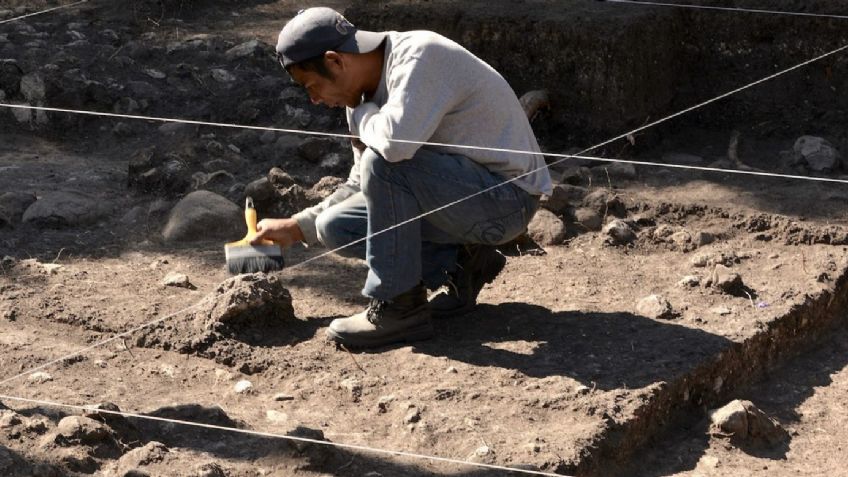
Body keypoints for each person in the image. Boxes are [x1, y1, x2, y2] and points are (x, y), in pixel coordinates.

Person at [252, 7, 552, 348]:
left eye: (313, 86)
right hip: (461, 203)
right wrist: (298, 226)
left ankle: (399, 309)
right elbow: (362, 184)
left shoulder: (419, 57)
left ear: (335, 61)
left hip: (506, 202)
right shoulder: (362, 101)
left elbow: (392, 152)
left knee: (386, 162)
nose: (316, 100)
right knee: (335, 226)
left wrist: (364, 115)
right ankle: (465, 261)